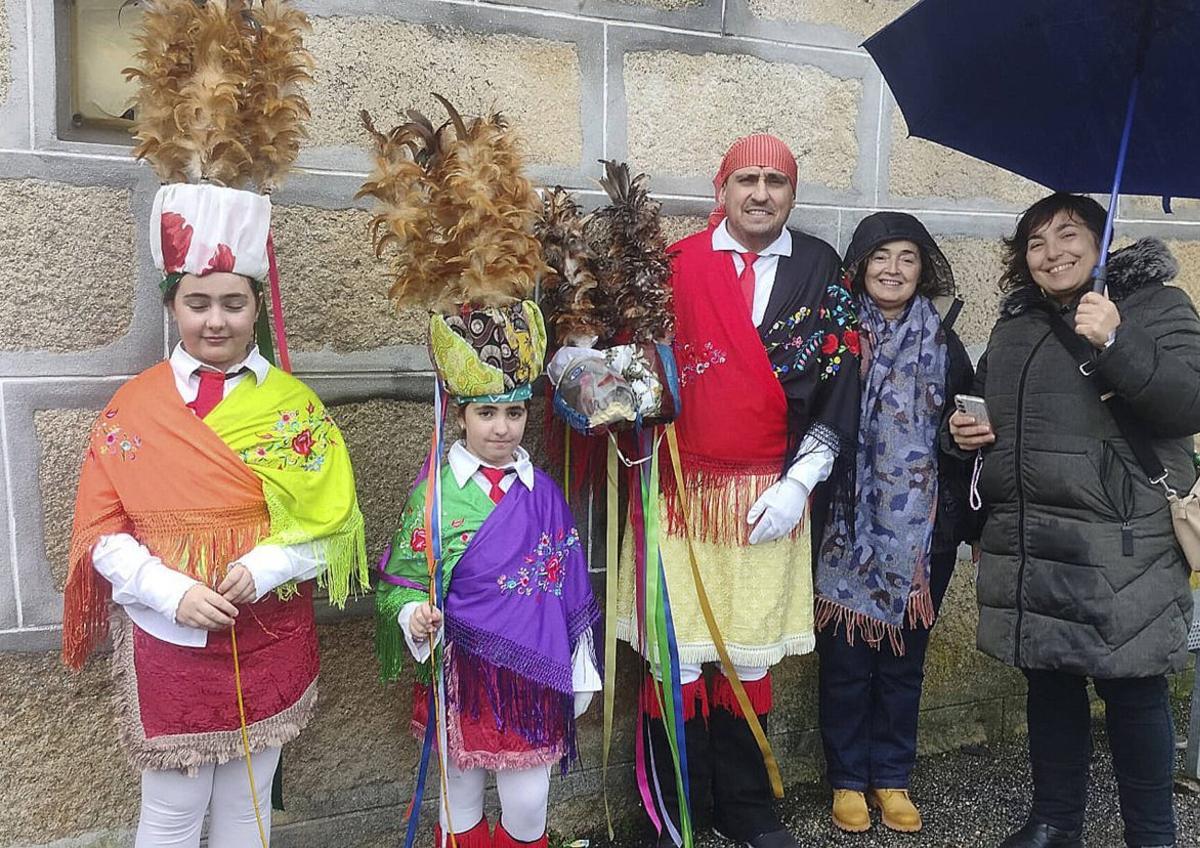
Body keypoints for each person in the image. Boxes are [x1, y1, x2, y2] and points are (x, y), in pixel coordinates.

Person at [60, 5, 368, 847]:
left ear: (256, 307)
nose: (216, 320)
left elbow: (331, 522)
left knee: (248, 806)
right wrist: (170, 591)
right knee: (171, 810)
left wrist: (267, 565)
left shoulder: (293, 408)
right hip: (168, 631)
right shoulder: (135, 407)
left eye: (233, 302)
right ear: (175, 305)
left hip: (265, 624)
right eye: (199, 302)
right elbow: (101, 531)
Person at [360, 97, 601, 848]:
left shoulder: (544, 492)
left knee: (528, 808)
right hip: (460, 677)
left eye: (514, 413)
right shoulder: (435, 496)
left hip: (533, 679)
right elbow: (400, 581)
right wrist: (413, 616)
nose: (501, 428)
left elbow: (568, 579)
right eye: (486, 413)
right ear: (459, 415)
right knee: (458, 806)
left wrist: (581, 663)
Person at [614, 134, 861, 848]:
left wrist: (801, 483)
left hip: (771, 490)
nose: (760, 193)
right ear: (721, 189)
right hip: (679, 492)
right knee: (679, 656)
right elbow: (631, 370)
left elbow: (842, 376)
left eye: (775, 181)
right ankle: (677, 813)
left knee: (748, 655)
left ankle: (749, 809)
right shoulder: (672, 265)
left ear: (792, 194)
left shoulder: (820, 267)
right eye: (747, 179)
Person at [949, 193, 1199, 848]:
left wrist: (1117, 339)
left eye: (1068, 235)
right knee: (1050, 682)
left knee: (1134, 689)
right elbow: (989, 411)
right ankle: (1055, 821)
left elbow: (1187, 405)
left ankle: (1152, 835)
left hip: (1121, 539)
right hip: (1035, 537)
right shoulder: (1017, 325)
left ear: (1102, 241)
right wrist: (964, 431)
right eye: (1036, 242)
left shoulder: (1156, 306)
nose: (1052, 252)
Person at [813, 212, 975, 833]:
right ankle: (847, 780)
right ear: (860, 267)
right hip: (846, 528)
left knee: (905, 665)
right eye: (881, 256)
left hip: (921, 536)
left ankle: (892, 777)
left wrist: (963, 437)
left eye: (907, 258)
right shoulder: (835, 336)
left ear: (923, 269)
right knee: (846, 666)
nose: (893, 269)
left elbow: (963, 436)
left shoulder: (945, 342)